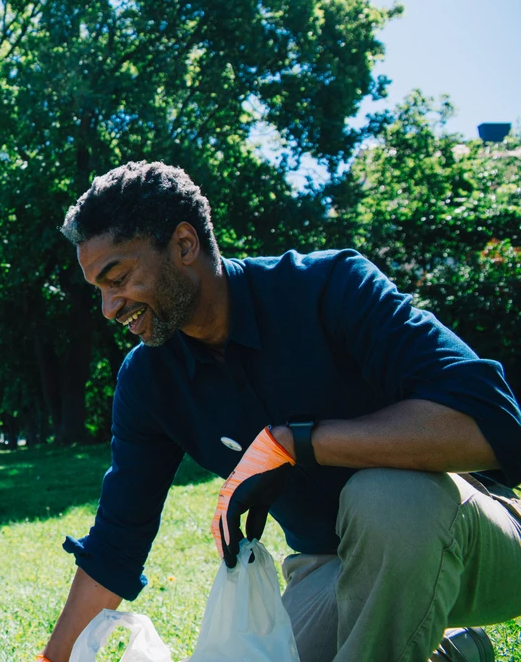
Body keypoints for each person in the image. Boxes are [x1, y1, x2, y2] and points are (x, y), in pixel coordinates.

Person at [38, 161, 521, 662]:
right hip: (329, 568)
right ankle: (453, 654)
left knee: (386, 495)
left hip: (473, 540)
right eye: (99, 288)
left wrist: (294, 443)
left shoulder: (328, 287)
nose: (109, 308)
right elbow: (117, 543)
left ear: (184, 245)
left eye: (118, 278)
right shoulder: (149, 382)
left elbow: (492, 421)